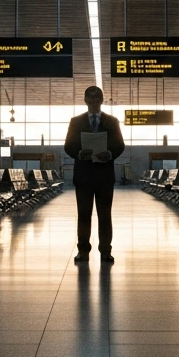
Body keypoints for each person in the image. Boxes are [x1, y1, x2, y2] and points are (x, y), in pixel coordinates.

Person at [63, 85, 125, 263]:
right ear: (85, 100)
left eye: (96, 97)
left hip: (104, 176)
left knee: (105, 215)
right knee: (84, 215)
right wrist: (79, 153)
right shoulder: (76, 122)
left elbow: (119, 144)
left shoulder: (112, 121)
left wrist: (110, 154)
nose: (93, 100)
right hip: (84, 176)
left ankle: (105, 251)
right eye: (90, 97)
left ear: (102, 100)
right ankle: (83, 251)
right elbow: (68, 145)